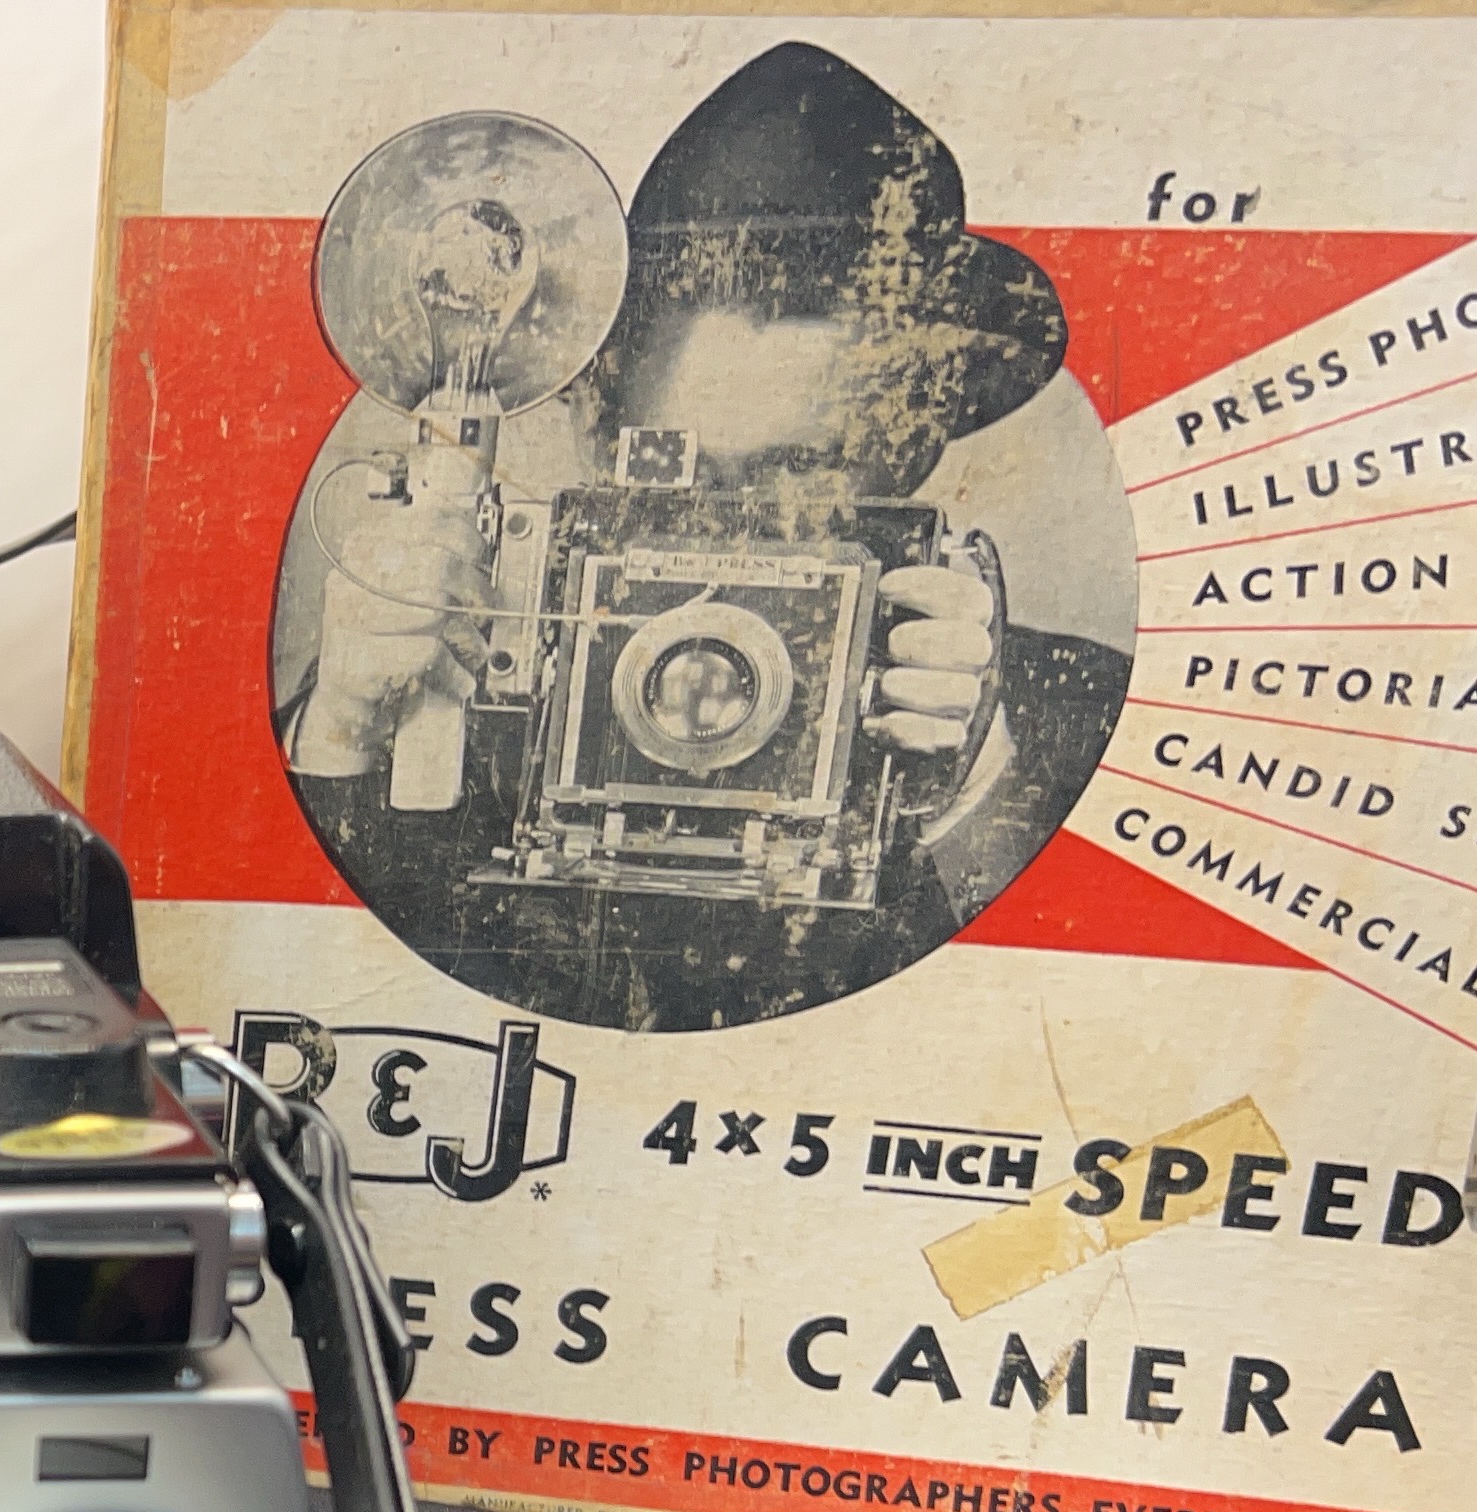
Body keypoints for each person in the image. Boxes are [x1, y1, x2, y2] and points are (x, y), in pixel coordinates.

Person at [281, 42, 1129, 1033]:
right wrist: (341, 734)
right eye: (679, 481)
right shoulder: (457, 679)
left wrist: (971, 794)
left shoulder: (1070, 720)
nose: (732, 542)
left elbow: (1063, 1026)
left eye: (805, 484)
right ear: (599, 427)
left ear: (909, 447)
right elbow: (328, 991)